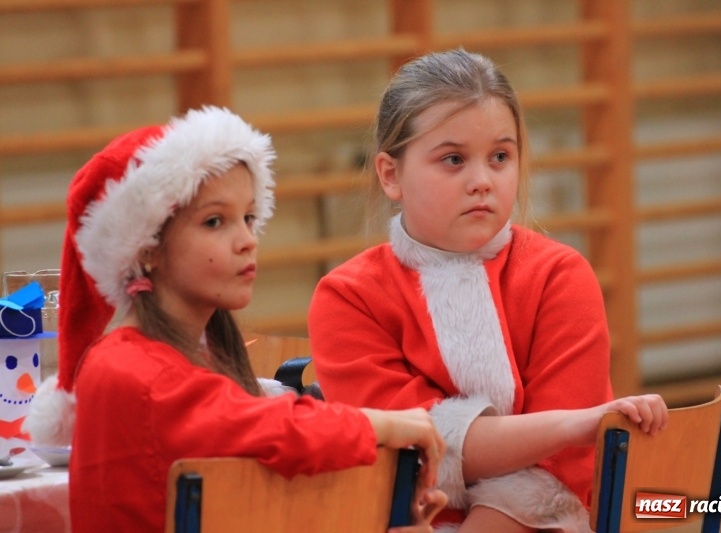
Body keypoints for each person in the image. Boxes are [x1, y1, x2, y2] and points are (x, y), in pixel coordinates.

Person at [21, 106, 446, 532]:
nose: (247, 240)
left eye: (247, 217)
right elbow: (278, 429)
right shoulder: (129, 370)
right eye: (214, 221)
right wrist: (388, 423)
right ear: (145, 248)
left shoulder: (188, 357)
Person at [307, 49, 668, 533]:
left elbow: (560, 470)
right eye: (453, 160)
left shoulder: (560, 276)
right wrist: (565, 425)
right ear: (391, 175)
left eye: (500, 156)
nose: (482, 181)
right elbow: (407, 456)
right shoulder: (347, 297)